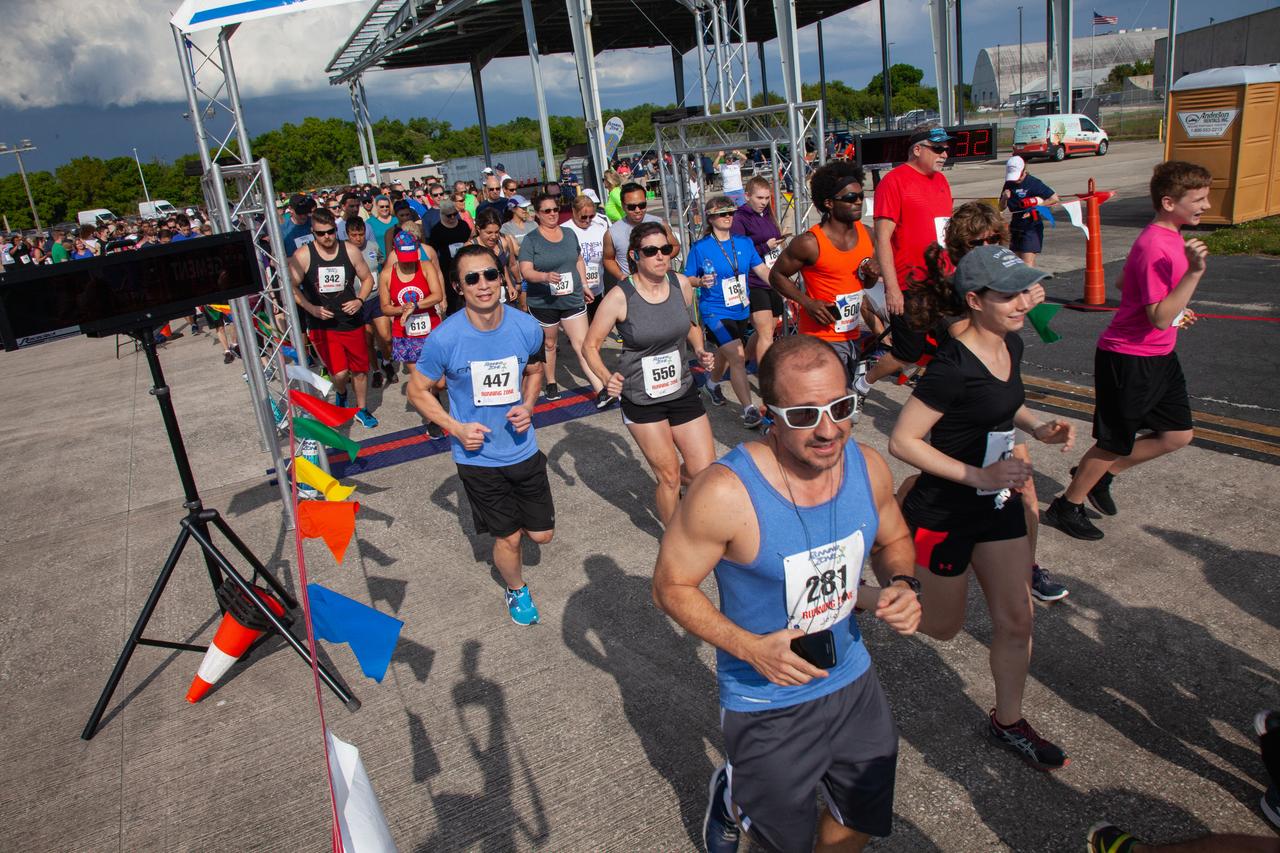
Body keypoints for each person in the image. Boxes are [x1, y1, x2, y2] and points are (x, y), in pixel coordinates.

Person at [653, 334, 923, 853]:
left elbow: (894, 540)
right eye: (803, 415)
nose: (827, 430)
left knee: (860, 816)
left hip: (851, 677)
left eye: (840, 407)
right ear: (768, 413)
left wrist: (902, 584)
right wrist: (750, 648)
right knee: (785, 842)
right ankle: (733, 796)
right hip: (765, 697)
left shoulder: (867, 466)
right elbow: (670, 587)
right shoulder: (725, 492)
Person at [888, 244, 1075, 770]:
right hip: (944, 510)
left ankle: (1008, 721)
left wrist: (1037, 425)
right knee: (942, 627)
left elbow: (1003, 400)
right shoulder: (950, 368)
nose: (1023, 303)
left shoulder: (1008, 344)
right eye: (1009, 295)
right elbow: (903, 441)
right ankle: (857, 596)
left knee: (1017, 618)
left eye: (1024, 291)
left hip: (995, 505)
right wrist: (979, 474)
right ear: (975, 300)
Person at [903, 202, 1067, 602]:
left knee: (1024, 493)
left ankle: (1026, 569)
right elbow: (968, 355)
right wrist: (1023, 299)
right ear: (960, 249)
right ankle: (900, 518)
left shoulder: (1006, 312)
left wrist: (1036, 425)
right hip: (963, 415)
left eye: (995, 239)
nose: (989, 246)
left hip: (998, 414)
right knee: (932, 486)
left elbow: (1007, 374)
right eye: (978, 242)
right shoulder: (958, 302)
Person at [1046, 161, 1210, 541]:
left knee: (1177, 434)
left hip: (1159, 355)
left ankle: (1103, 477)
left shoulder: (1168, 238)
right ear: (1169, 202)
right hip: (1130, 357)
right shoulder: (1156, 244)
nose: (1205, 204)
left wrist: (1178, 304)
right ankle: (1066, 507)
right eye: (1197, 198)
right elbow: (1157, 316)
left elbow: (1124, 281)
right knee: (1112, 441)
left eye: (1205, 196)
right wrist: (1193, 276)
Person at [407, 245, 553, 626]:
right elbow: (417, 389)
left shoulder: (525, 326)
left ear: (501, 277)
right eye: (472, 278)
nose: (483, 284)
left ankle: (515, 529)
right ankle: (517, 590)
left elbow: (535, 370)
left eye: (490, 274)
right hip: (478, 459)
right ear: (458, 286)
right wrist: (454, 427)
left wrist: (529, 404)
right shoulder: (444, 338)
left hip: (523, 449)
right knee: (509, 539)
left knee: (542, 536)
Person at [584, 221, 717, 523]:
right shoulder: (620, 297)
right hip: (642, 399)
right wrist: (607, 378)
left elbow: (691, 326)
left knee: (703, 470)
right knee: (669, 477)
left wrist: (699, 350)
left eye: (666, 249)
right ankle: (674, 539)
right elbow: (590, 346)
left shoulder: (681, 284)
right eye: (651, 251)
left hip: (682, 389)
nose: (660, 256)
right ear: (635, 255)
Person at [770, 162, 879, 421]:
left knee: (835, 407)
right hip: (821, 339)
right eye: (850, 198)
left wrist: (871, 277)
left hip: (852, 335)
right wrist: (807, 303)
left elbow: (864, 286)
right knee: (837, 408)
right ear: (829, 203)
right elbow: (777, 275)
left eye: (861, 196)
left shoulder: (868, 235)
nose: (858, 202)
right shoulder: (810, 242)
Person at [858, 127, 955, 397]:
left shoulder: (941, 182)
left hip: (943, 282)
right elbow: (884, 238)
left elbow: (944, 231)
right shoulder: (894, 181)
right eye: (938, 148)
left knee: (957, 341)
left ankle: (938, 398)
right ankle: (864, 381)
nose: (944, 154)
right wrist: (892, 288)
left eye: (946, 149)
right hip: (911, 284)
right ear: (917, 149)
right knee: (906, 353)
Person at [287, 208, 379, 429]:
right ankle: (341, 392)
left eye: (330, 232)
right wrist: (310, 308)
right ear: (313, 232)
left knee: (359, 370)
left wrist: (360, 299)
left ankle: (362, 409)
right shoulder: (304, 255)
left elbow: (367, 279)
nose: (326, 237)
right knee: (339, 373)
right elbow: (290, 287)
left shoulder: (350, 250)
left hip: (351, 320)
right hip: (322, 325)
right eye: (321, 233)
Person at [686, 195, 770, 429]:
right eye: (723, 213)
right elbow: (687, 278)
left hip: (740, 309)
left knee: (727, 353)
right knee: (738, 356)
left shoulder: (743, 243)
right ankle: (749, 410)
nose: (728, 217)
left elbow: (761, 269)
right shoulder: (701, 247)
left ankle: (711, 385)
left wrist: (782, 285)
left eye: (731, 213)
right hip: (714, 311)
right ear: (711, 217)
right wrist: (700, 281)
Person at [519, 192, 603, 402]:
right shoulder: (531, 240)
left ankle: (600, 388)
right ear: (537, 214)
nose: (552, 214)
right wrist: (545, 276)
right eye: (547, 211)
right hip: (543, 301)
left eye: (555, 209)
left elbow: (578, 260)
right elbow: (526, 271)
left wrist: (584, 285)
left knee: (582, 344)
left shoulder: (569, 233)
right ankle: (551, 382)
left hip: (572, 297)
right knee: (549, 343)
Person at [380, 229, 444, 407]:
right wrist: (402, 309)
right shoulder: (386, 274)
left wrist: (415, 305)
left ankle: (436, 396)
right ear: (395, 251)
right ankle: (434, 418)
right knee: (421, 382)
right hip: (405, 334)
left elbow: (437, 295)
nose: (408, 263)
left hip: (431, 329)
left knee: (439, 382)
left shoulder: (425, 267)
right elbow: (385, 307)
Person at [732, 176, 789, 367]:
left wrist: (778, 242)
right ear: (747, 196)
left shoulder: (766, 214)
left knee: (769, 328)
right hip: (752, 282)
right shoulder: (739, 218)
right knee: (765, 332)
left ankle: (744, 360)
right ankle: (768, 377)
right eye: (759, 198)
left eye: (767, 198)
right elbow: (738, 255)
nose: (764, 202)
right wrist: (765, 246)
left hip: (770, 278)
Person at [602, 182, 680, 282]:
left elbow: (675, 246)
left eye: (642, 205)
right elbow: (608, 259)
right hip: (632, 286)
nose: (638, 210)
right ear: (623, 205)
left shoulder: (660, 224)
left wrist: (660, 259)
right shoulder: (612, 233)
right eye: (632, 207)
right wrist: (621, 276)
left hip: (660, 283)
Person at [1000, 156, 1059, 267]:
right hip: (1016, 226)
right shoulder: (1009, 184)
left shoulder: (1034, 183)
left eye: (1018, 177)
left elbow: (1054, 198)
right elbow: (1001, 207)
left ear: (1024, 171)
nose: (1016, 180)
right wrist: (1004, 198)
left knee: (1027, 264)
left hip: (1031, 226)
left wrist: (1036, 207)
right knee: (1015, 264)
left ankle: (1030, 284)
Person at [562, 193, 609, 319]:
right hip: (575, 290)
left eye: (591, 216)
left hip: (597, 287)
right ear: (573, 211)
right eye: (583, 217)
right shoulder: (564, 230)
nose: (588, 220)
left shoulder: (600, 228)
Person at [428, 198, 474, 316]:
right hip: (447, 268)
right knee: (452, 298)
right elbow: (432, 251)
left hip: (465, 264)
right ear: (442, 215)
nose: (453, 218)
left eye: (454, 214)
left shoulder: (463, 225)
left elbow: (469, 240)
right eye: (449, 216)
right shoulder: (437, 230)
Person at [467, 208, 521, 305]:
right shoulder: (470, 247)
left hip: (504, 291)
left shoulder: (503, 242)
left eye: (496, 232)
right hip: (483, 295)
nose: (493, 236)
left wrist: (514, 284)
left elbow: (505, 266)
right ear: (479, 229)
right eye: (489, 232)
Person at [281, 193, 317, 258]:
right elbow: (274, 261)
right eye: (300, 212)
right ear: (291, 209)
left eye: (306, 212)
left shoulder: (315, 223)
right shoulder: (282, 230)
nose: (303, 216)